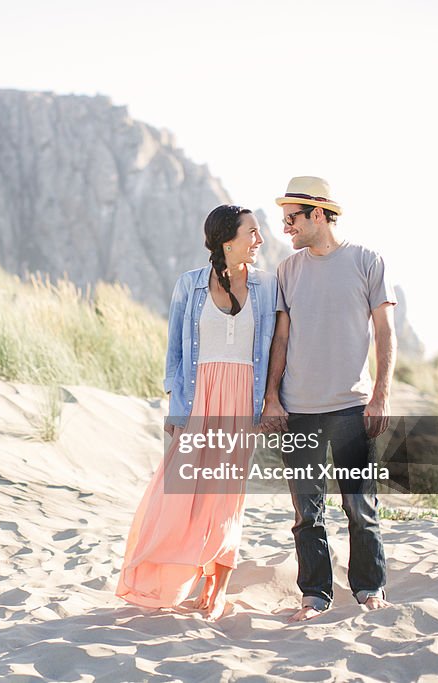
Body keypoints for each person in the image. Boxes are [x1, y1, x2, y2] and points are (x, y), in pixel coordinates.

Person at [116, 204, 278, 620]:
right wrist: (175, 406)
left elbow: (277, 344)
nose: (259, 240)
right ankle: (165, 576)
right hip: (197, 398)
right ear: (228, 240)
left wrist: (269, 401)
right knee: (178, 494)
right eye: (252, 233)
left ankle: (216, 589)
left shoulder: (266, 286)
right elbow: (174, 349)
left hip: (241, 399)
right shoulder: (190, 285)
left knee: (225, 497)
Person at [261, 176, 396, 622]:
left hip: (352, 406)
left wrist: (380, 396)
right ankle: (315, 594)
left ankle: (369, 587)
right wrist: (271, 399)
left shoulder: (367, 261)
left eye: (292, 219)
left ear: (318, 214)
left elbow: (384, 332)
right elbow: (280, 339)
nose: (286, 228)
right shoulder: (287, 270)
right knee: (307, 511)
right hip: (297, 409)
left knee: (360, 503)